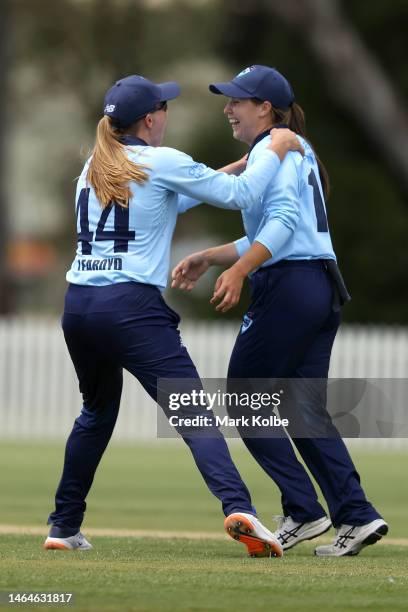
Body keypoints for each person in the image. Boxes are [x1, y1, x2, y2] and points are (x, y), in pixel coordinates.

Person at [43, 73, 304, 557]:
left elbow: (172, 199)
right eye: (164, 107)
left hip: (78, 307)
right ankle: (239, 508)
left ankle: (63, 525)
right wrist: (274, 149)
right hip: (131, 310)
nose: (167, 113)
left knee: (96, 413)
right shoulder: (161, 160)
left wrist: (240, 164)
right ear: (149, 119)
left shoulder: (94, 165)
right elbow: (240, 198)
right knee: (195, 416)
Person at [172, 65, 388, 557]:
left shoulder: (281, 148)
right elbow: (273, 230)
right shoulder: (286, 148)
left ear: (265, 107)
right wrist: (213, 256)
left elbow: (285, 225)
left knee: (245, 401)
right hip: (317, 284)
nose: (228, 108)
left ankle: (305, 511)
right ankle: (356, 515)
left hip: (290, 286)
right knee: (301, 409)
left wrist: (242, 270)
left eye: (237, 101)